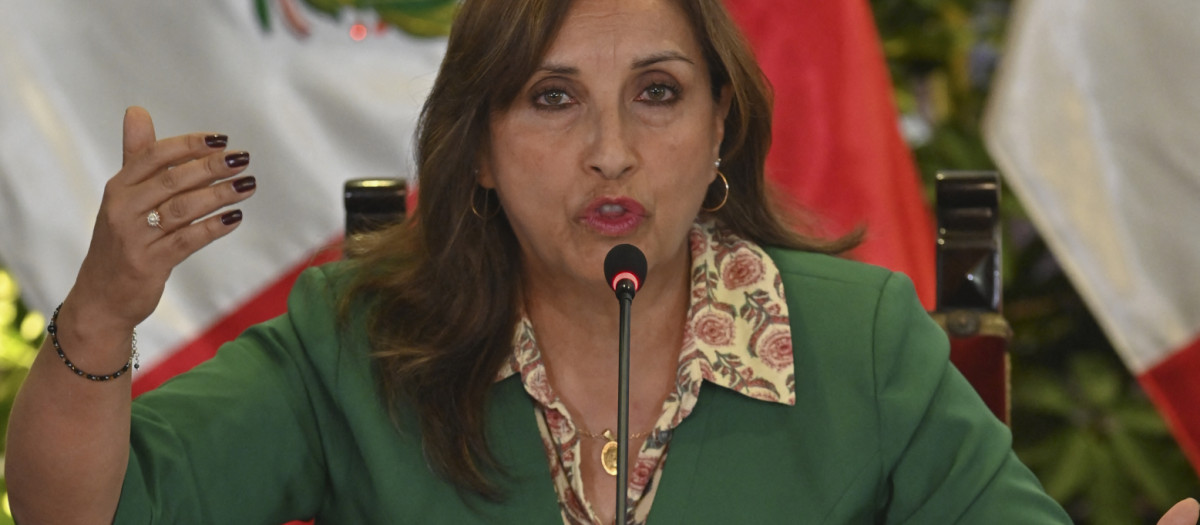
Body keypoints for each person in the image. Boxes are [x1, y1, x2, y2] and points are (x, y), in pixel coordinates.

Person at [5, 0, 1192, 523]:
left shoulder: (859, 337)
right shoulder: (359, 337)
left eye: (659, 96)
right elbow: (84, 509)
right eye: (554, 98)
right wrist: (104, 314)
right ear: (474, 150)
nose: (612, 152)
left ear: (721, 129)